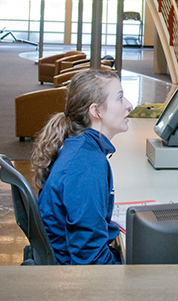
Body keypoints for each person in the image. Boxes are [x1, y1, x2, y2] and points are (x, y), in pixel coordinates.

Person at [31, 68, 133, 265]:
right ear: (96, 111)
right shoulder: (87, 165)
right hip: (78, 280)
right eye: (120, 98)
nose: (129, 105)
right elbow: (90, 259)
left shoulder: (79, 148)